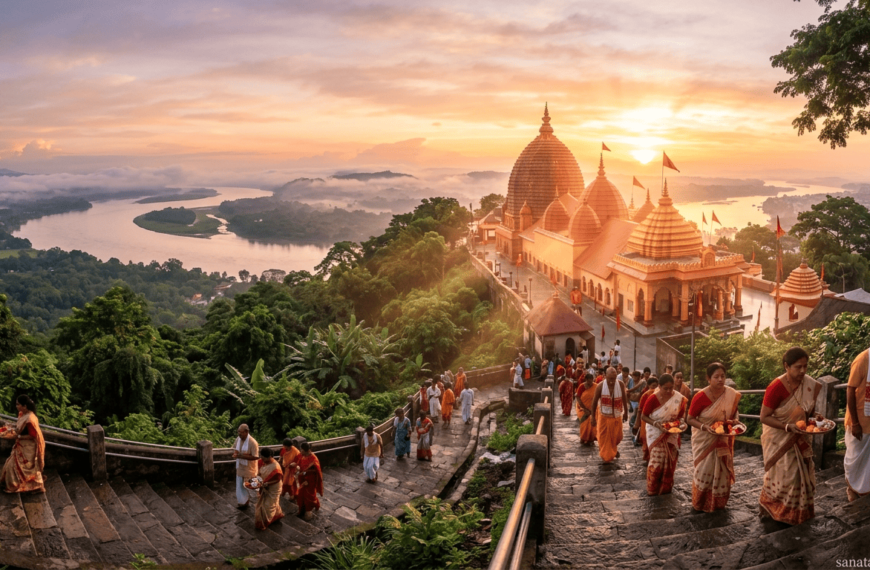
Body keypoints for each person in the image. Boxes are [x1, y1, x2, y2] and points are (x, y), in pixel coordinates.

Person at [759, 347, 821, 525]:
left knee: (800, 477)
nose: (803, 371)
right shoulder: (776, 387)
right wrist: (787, 427)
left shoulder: (808, 384)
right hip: (779, 439)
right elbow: (764, 417)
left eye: (805, 366)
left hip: (800, 437)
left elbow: (806, 410)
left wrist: (816, 417)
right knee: (786, 475)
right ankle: (777, 510)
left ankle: (798, 512)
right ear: (786, 366)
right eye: (798, 367)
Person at [687, 362, 741, 512]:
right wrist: (705, 427)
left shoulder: (731, 394)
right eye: (716, 377)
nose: (720, 380)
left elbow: (734, 412)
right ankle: (700, 502)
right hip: (704, 439)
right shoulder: (701, 397)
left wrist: (735, 420)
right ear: (708, 378)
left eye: (722, 376)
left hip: (723, 437)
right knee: (704, 469)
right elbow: (690, 418)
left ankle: (718, 502)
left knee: (722, 469)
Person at [642, 374, 688, 495]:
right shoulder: (653, 398)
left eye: (671, 388)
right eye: (665, 388)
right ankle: (652, 489)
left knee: (670, 461)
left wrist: (682, 423)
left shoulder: (679, 398)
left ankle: (665, 488)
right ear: (659, 386)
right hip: (656, 432)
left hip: (672, 432)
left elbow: (681, 416)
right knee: (657, 462)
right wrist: (656, 424)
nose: (668, 391)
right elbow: (644, 416)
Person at [1, 394, 45, 494]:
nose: (16, 406)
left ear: (24, 406)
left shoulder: (30, 419)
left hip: (27, 447)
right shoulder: (23, 414)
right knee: (11, 465)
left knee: (23, 467)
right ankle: (12, 483)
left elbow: (33, 436)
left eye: (18, 404)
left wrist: (18, 437)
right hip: (21, 445)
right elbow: (19, 428)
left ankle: (36, 486)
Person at [845, 348, 870, 501]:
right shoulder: (862, 359)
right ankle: (851, 489)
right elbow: (850, 389)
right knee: (854, 458)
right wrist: (855, 422)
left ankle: (865, 490)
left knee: (868, 461)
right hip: (859, 420)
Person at [591, 366, 628, 463]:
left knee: (617, 437)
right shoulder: (600, 386)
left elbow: (624, 399)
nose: (612, 381)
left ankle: (613, 450)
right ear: (605, 376)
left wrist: (626, 413)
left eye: (614, 378)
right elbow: (594, 402)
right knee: (604, 439)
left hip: (617, 416)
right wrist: (592, 418)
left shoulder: (620, 384)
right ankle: (607, 456)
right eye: (610, 378)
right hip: (604, 417)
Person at [248, 448, 283, 530]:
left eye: (263, 457)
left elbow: (277, 479)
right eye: (261, 457)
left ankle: (265, 522)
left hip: (273, 488)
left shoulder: (276, 468)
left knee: (267, 506)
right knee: (272, 503)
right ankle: (276, 515)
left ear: (269, 457)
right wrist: (255, 479)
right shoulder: (264, 462)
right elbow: (259, 472)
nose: (262, 459)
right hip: (264, 485)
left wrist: (266, 483)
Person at [232, 423, 259, 509]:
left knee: (249, 486)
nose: (239, 435)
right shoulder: (238, 439)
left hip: (249, 469)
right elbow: (235, 449)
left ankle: (257, 500)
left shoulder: (253, 442)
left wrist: (241, 456)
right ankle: (242, 502)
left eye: (241, 433)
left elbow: (255, 457)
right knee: (239, 485)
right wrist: (236, 454)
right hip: (240, 467)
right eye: (238, 433)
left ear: (246, 432)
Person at [295, 441, 323, 521]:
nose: (300, 451)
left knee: (309, 497)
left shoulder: (313, 459)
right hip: (303, 478)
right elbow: (300, 464)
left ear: (305, 450)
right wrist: (298, 468)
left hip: (310, 481)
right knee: (301, 494)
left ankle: (309, 511)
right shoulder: (302, 456)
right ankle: (303, 509)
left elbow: (316, 472)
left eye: (301, 450)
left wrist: (307, 479)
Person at [634, 377, 659, 450]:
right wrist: (637, 422)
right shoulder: (645, 395)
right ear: (648, 385)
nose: (654, 388)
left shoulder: (659, 394)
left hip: (655, 419)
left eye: (656, 386)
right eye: (653, 386)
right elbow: (640, 409)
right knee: (645, 437)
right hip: (645, 419)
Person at [577, 373, 596, 445]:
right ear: (586, 380)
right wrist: (584, 408)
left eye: (592, 381)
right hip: (583, 409)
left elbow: (597, 397)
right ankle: (583, 438)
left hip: (593, 409)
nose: (590, 383)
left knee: (591, 424)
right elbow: (578, 397)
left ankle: (591, 439)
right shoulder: (581, 386)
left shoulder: (595, 386)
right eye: (589, 381)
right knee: (584, 424)